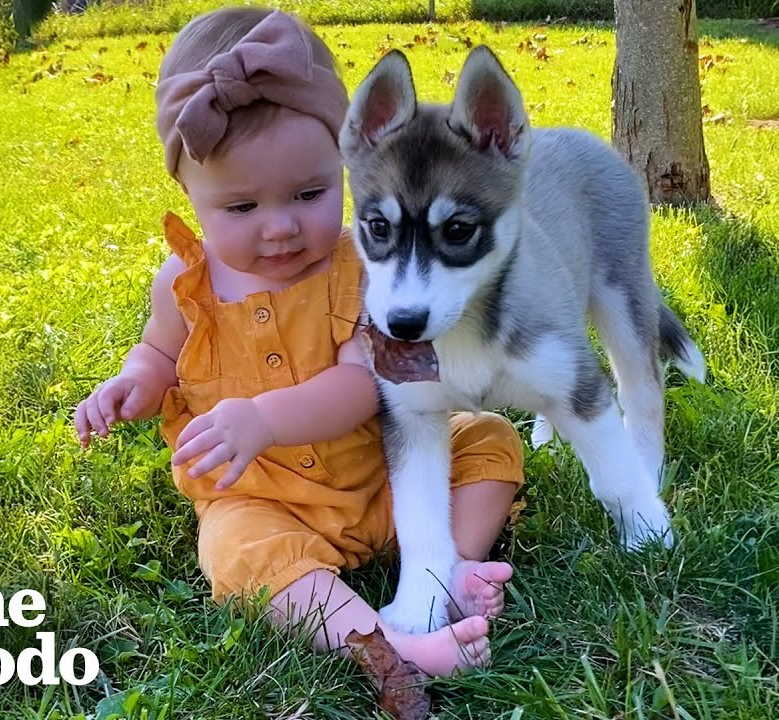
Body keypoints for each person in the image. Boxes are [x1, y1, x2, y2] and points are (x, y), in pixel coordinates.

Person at [73, 7, 523, 677]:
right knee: (239, 552)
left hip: (381, 483)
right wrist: (132, 385)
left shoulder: (359, 268)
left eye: (311, 193)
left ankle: (447, 573)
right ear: (188, 192)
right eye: (242, 208)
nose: (280, 227)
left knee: (488, 440)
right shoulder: (183, 282)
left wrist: (264, 417)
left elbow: (360, 385)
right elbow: (159, 355)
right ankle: (385, 645)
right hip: (259, 495)